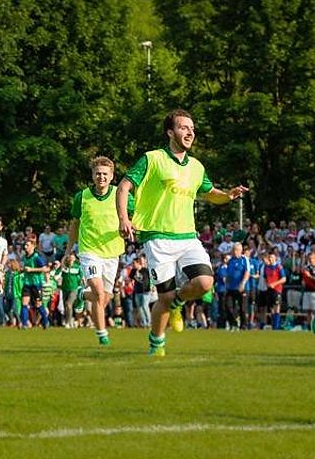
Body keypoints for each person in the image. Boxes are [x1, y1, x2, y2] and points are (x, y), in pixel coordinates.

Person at [117, 109, 248, 356]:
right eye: (183, 127)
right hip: (157, 238)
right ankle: (157, 343)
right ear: (170, 132)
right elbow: (123, 187)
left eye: (192, 129)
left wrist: (228, 195)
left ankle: (179, 302)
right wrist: (124, 218)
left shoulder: (196, 167)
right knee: (164, 299)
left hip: (188, 237)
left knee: (205, 282)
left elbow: (210, 193)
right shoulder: (152, 159)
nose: (190, 132)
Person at [66, 156, 127, 346]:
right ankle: (102, 335)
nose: (101, 177)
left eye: (105, 174)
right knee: (99, 294)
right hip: (89, 251)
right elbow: (74, 224)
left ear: (112, 176)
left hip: (112, 252)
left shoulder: (120, 195)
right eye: (98, 173)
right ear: (93, 175)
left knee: (105, 298)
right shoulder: (82, 197)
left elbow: (134, 215)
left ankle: (82, 294)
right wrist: (68, 250)